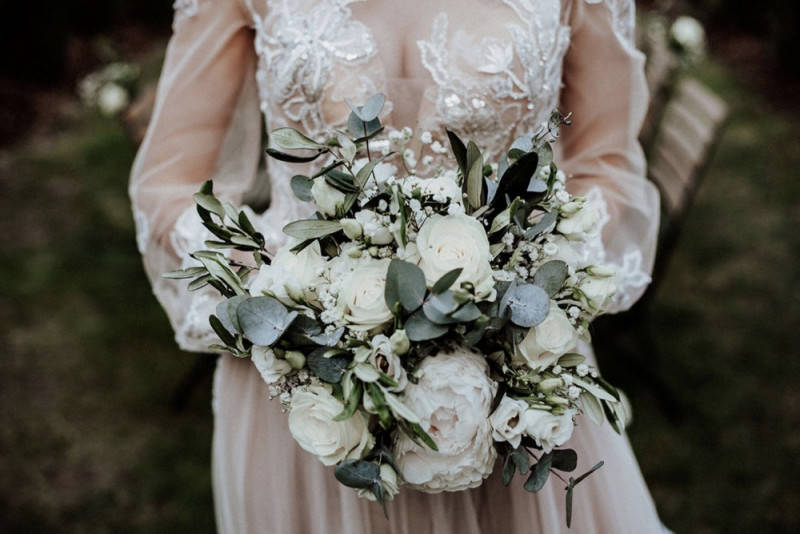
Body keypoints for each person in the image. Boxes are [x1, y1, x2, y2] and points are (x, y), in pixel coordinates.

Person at [130, 0, 665, 531]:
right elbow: (169, 184)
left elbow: (604, 165)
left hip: (515, 381)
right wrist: (280, 289)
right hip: (302, 390)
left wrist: (521, 281)